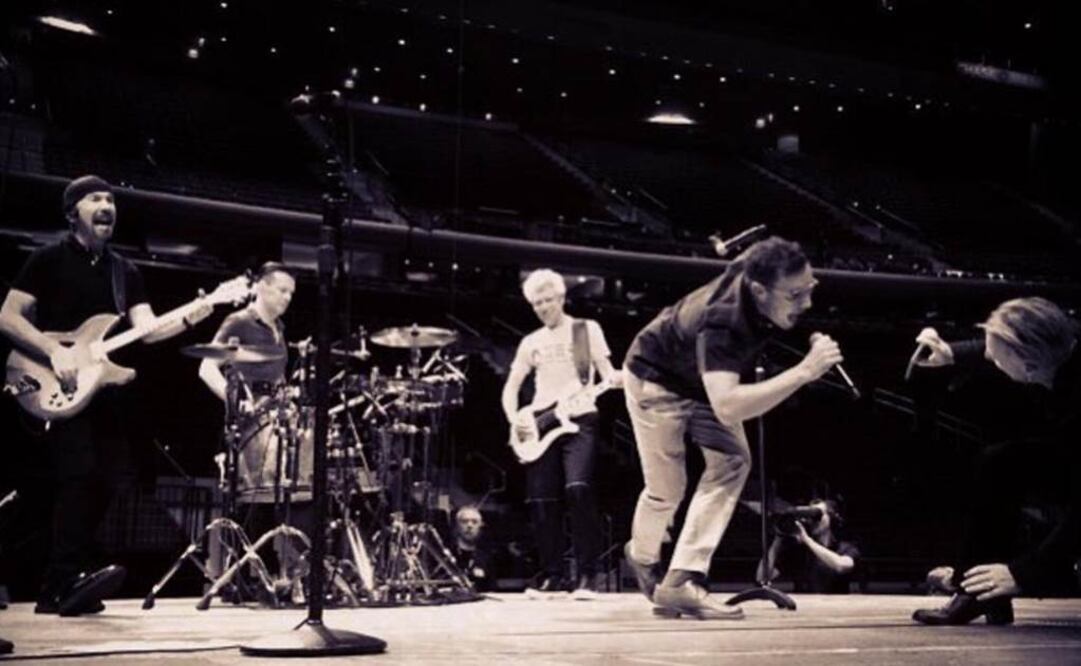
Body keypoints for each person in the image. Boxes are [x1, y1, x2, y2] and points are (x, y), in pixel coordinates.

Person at [0, 175, 213, 616]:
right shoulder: (47, 258)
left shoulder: (124, 272)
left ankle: (62, 581)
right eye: (95, 198)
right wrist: (53, 351)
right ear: (72, 211)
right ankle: (58, 581)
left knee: (107, 480)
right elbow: (7, 317)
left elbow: (147, 330)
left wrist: (194, 316)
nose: (107, 205)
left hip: (103, 392)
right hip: (54, 382)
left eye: (111, 198)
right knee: (76, 476)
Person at [622, 236, 843, 620]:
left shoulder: (757, 266)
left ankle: (680, 581)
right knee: (667, 489)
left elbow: (760, 246)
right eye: (794, 295)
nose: (806, 305)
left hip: (703, 380)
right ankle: (641, 555)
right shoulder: (724, 319)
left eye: (810, 289)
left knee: (734, 460)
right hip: (656, 378)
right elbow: (727, 406)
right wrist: (806, 371)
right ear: (758, 290)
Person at [911, 297, 1080, 625]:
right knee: (1002, 461)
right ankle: (976, 591)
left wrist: (1023, 573)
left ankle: (1016, 585)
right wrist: (952, 353)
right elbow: (991, 347)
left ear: (1029, 366)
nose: (989, 359)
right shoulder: (1058, 348)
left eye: (998, 359)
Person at [501, 269, 622, 599]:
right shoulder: (531, 342)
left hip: (580, 416)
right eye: (536, 303)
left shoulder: (586, 330)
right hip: (541, 421)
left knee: (578, 488)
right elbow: (510, 389)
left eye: (547, 301)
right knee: (541, 501)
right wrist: (516, 420)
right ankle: (553, 575)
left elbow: (608, 373)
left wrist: (617, 379)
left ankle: (588, 575)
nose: (542, 307)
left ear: (561, 298)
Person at [197, 262, 310, 601]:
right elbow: (206, 368)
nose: (288, 297)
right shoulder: (239, 321)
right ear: (261, 286)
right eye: (282, 290)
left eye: (292, 293)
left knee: (286, 495)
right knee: (254, 500)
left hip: (277, 418)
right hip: (250, 421)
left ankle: (282, 574)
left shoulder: (280, 327)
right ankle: (243, 577)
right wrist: (237, 405)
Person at [756, 498, 859, 594]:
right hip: (806, 609)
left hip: (837, 609)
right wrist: (778, 539)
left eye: (817, 514)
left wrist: (808, 540)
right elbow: (761, 577)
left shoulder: (845, 547)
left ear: (830, 517)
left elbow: (842, 566)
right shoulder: (799, 551)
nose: (813, 520)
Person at [448, 505, 495, 592]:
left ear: (481, 526)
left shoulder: (488, 557)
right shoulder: (446, 555)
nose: (469, 525)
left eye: (474, 522)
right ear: (456, 526)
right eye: (464, 521)